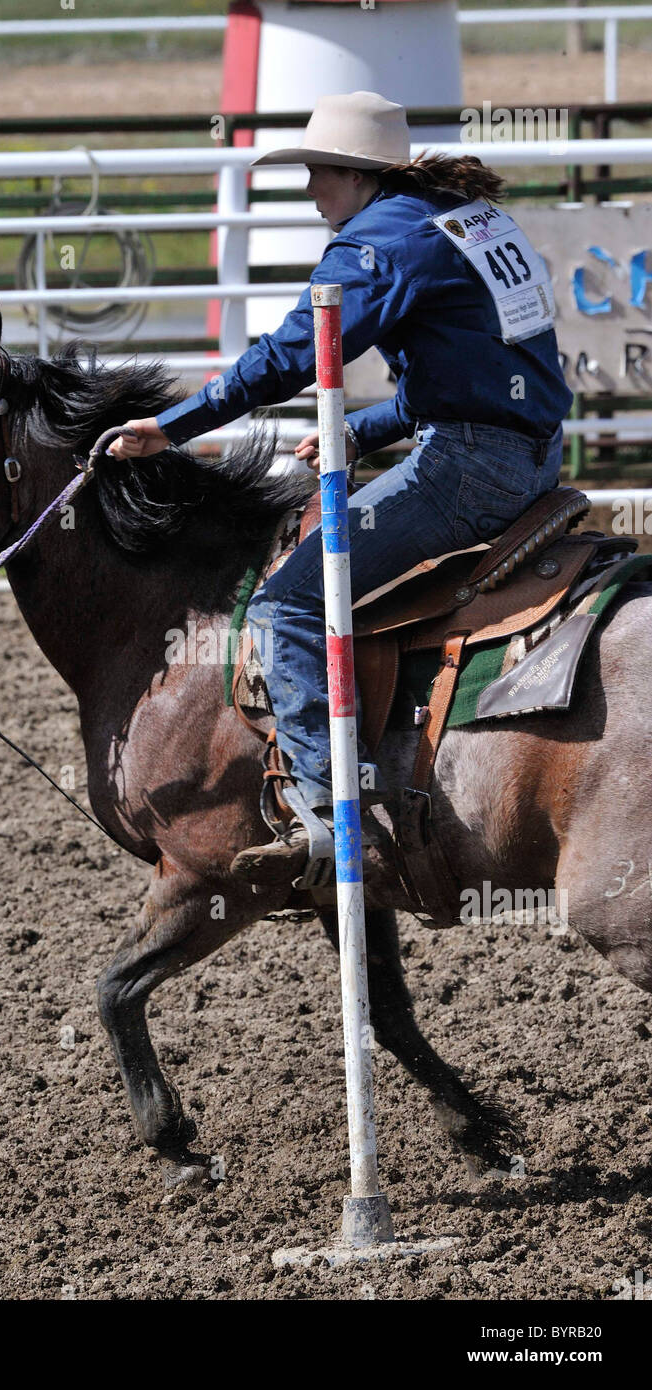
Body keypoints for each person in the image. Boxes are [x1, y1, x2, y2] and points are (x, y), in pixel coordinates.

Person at [108, 90, 572, 887]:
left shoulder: (378, 244)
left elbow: (290, 356)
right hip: (528, 450)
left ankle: (328, 813)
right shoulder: (459, 217)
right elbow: (483, 367)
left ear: (353, 174)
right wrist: (363, 428)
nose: (310, 190)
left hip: (471, 466)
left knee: (284, 605)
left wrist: (174, 426)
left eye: (317, 172)